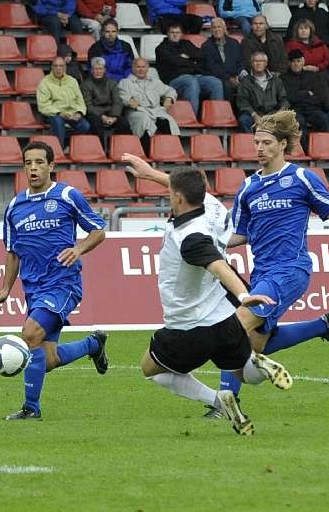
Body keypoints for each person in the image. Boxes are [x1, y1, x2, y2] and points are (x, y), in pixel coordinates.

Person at [211, 110, 329, 412]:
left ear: (283, 144)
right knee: (259, 344)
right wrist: (205, 244)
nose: (259, 148)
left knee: (235, 326)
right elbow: (238, 235)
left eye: (266, 143)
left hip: (291, 269)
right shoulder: (248, 187)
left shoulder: (301, 178)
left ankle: (224, 403)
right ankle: (323, 326)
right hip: (261, 274)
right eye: (256, 142)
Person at [123, 158, 292, 435]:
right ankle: (257, 364)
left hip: (188, 326)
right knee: (244, 374)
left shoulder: (189, 237)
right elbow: (185, 187)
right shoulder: (212, 206)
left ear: (178, 198)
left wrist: (244, 294)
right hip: (225, 319)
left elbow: (217, 265)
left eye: (171, 193)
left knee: (151, 369)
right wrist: (151, 174)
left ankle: (217, 400)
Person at [0, 140, 108, 420]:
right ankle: (94, 345)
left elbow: (98, 231)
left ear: (51, 165)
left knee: (30, 334)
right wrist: (5, 288)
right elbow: (13, 252)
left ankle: (31, 409)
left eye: (39, 162)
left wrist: (78, 249)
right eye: (28, 163)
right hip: (33, 288)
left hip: (63, 283)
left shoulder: (67, 195)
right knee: (46, 360)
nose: (33, 168)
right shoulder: (15, 206)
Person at [155, 23, 224, 115]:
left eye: (177, 32)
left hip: (194, 76)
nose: (175, 35)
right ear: (167, 34)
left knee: (215, 82)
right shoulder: (161, 49)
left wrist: (188, 57)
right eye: (172, 32)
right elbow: (176, 62)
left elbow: (201, 55)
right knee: (191, 81)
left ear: (181, 34)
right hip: (173, 80)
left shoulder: (186, 43)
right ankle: (192, 117)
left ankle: (216, 116)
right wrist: (192, 61)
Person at [117, 56, 179, 150]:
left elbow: (171, 90)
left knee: (169, 121)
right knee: (144, 120)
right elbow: (122, 95)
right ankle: (147, 152)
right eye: (138, 67)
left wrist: (169, 98)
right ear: (133, 68)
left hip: (156, 111)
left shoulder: (155, 82)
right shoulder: (125, 82)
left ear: (147, 68)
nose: (141, 69)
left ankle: (171, 151)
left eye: (143, 67)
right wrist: (129, 101)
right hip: (137, 111)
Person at [279, 49, 329, 149]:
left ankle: (325, 149)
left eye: (298, 61)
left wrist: (300, 96)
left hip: (312, 108)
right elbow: (289, 97)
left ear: (303, 61)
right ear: (289, 63)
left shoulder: (312, 76)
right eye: (293, 61)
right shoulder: (283, 78)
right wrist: (307, 93)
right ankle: (306, 151)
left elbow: (320, 95)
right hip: (294, 109)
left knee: (324, 119)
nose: (296, 64)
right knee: (299, 122)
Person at [37, 56, 90, 148]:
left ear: (65, 67)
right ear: (51, 67)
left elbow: (80, 101)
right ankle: (59, 149)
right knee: (58, 122)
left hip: (71, 113)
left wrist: (79, 112)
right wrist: (59, 113)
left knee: (85, 126)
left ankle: (68, 144)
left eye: (61, 66)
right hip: (53, 114)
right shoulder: (44, 82)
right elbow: (43, 105)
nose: (58, 68)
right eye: (56, 66)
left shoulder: (72, 81)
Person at [80, 56, 129, 146]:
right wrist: (102, 117)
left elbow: (117, 101)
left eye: (100, 69)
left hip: (111, 112)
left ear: (104, 70)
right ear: (91, 70)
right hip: (94, 113)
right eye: (96, 69)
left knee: (124, 123)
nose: (98, 71)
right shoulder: (86, 84)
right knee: (96, 124)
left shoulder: (112, 82)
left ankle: (114, 146)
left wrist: (114, 117)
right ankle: (101, 148)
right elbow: (88, 105)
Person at [236, 51, 288, 133]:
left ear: (266, 63)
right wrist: (254, 115)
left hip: (272, 113)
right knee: (243, 120)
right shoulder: (245, 81)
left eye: (262, 61)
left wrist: (279, 113)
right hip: (253, 113)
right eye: (256, 61)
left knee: (288, 119)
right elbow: (242, 102)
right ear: (251, 63)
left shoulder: (276, 80)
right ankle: (250, 141)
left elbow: (284, 100)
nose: (258, 63)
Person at [202, 17, 243, 103]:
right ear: (211, 30)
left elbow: (240, 61)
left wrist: (239, 75)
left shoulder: (234, 43)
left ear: (224, 28)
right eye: (214, 27)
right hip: (220, 77)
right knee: (227, 86)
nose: (217, 30)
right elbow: (212, 67)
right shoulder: (206, 46)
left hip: (236, 76)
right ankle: (227, 110)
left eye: (219, 27)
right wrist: (229, 78)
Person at [87, 18, 133, 82]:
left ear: (117, 32)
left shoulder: (126, 46)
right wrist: (111, 82)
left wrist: (124, 80)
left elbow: (130, 67)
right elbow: (95, 71)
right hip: (103, 83)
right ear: (102, 32)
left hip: (123, 81)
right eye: (107, 31)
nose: (110, 34)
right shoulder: (95, 48)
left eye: (113, 31)